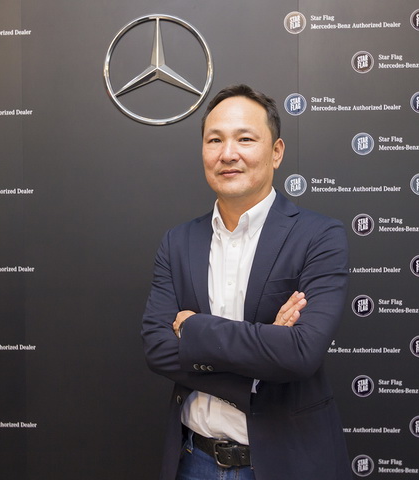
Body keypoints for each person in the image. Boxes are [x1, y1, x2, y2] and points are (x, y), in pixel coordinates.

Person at [141, 84, 352, 480]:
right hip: (194, 460)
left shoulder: (319, 236)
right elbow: (157, 348)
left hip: (287, 463)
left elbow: (301, 351)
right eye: (214, 140)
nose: (228, 153)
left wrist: (193, 329)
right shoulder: (178, 241)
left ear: (276, 151)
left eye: (245, 139)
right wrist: (260, 360)